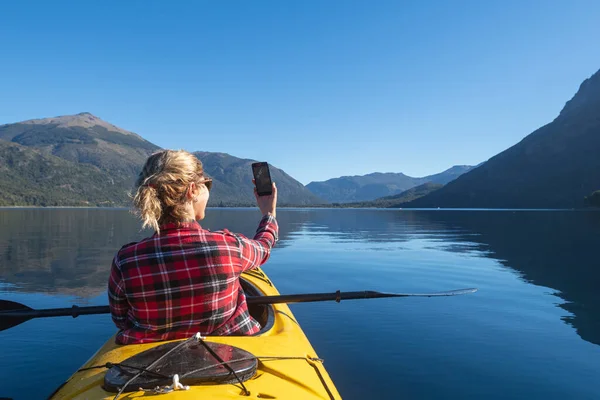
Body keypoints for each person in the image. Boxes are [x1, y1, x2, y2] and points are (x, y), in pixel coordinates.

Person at [108, 149, 278, 345]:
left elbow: (121, 320)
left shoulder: (126, 260)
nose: (208, 190)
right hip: (231, 356)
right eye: (207, 184)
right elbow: (264, 248)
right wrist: (269, 214)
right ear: (192, 190)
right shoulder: (229, 248)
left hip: (149, 364)